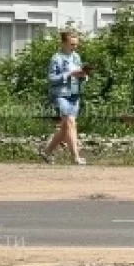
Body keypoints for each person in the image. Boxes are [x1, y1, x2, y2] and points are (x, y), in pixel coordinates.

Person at [43, 30, 89, 165]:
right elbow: (51, 78)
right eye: (72, 44)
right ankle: (75, 157)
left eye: (76, 44)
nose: (75, 47)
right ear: (63, 43)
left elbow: (79, 74)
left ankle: (47, 152)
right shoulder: (56, 58)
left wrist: (83, 76)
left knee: (65, 128)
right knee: (70, 122)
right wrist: (68, 74)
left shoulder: (76, 57)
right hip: (60, 94)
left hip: (75, 94)